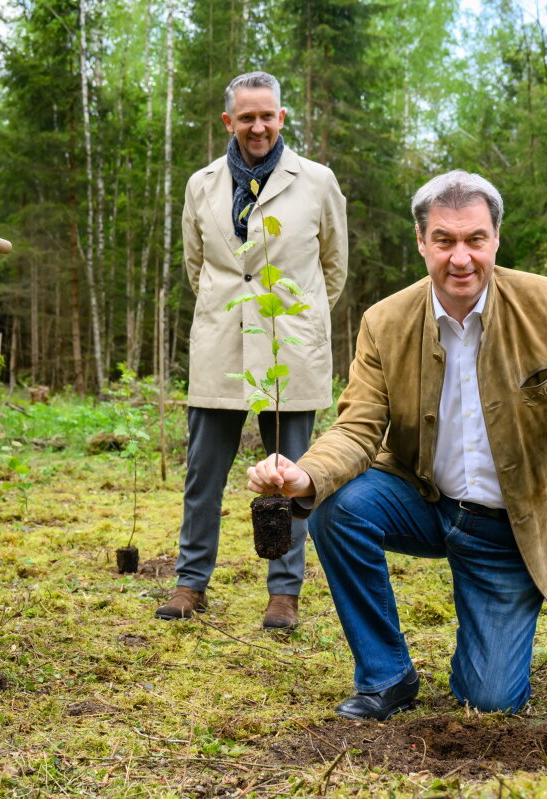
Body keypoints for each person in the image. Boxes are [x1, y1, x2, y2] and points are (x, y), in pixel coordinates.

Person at [247, 170, 547, 718]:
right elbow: (358, 426)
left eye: (474, 240)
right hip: (423, 500)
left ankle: (481, 651)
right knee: (335, 508)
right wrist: (308, 475)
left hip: (512, 528)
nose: (460, 258)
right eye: (444, 240)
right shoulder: (384, 321)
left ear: (495, 240)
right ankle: (386, 676)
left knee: (488, 702)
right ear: (422, 242)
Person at [159, 70, 348, 630]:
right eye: (247, 117)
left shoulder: (316, 181)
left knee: (289, 475)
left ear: (282, 117)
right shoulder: (202, 185)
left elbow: (332, 268)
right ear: (229, 122)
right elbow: (199, 267)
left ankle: (284, 592)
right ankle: (191, 583)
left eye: (267, 115)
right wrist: (233, 311)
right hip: (221, 345)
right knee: (203, 473)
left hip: (289, 345)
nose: (258, 126)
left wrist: (300, 315)